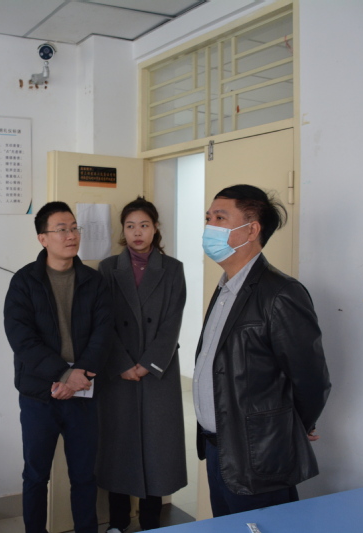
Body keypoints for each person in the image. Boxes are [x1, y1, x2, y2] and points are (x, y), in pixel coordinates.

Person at [194, 184, 331, 517]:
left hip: (257, 454)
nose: (210, 225)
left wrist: (285, 428)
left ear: (252, 230)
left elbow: (311, 379)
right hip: (217, 448)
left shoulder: (280, 293)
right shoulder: (226, 287)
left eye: (220, 218)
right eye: (208, 218)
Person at [3, 201, 113, 533]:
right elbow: (22, 339)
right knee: (36, 475)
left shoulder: (94, 281)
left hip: (83, 392)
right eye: (62, 229)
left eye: (74, 228)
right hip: (39, 394)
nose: (71, 235)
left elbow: (103, 334)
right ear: (43, 238)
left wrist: (79, 376)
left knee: (84, 475)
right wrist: (64, 374)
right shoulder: (24, 281)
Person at [97, 197, 188, 532]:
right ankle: (118, 523)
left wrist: (148, 363)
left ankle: (151, 523)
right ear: (123, 230)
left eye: (144, 225)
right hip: (118, 373)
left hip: (157, 372)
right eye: (130, 226)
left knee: (157, 450)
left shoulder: (173, 269)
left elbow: (172, 322)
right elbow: (102, 322)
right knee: (118, 447)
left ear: (155, 228)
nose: (137, 232)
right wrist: (122, 363)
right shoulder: (108, 268)